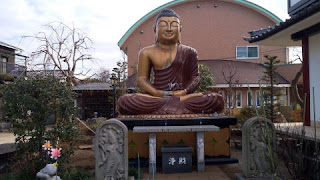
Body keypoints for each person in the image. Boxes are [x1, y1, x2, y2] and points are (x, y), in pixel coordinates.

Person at [117, 9, 224, 115]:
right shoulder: (146, 52)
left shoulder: (189, 52)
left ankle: (166, 107)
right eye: (163, 25)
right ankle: (176, 107)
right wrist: (157, 93)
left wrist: (183, 92)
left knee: (216, 99)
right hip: (158, 97)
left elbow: (195, 78)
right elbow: (142, 79)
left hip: (183, 96)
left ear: (180, 29)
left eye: (174, 24)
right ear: (155, 29)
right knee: (125, 101)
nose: (169, 29)